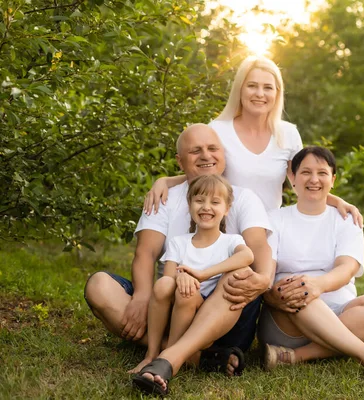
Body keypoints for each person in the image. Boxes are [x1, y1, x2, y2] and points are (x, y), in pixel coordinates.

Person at [84, 123, 274, 380]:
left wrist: (262, 279)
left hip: (224, 313)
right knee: (99, 286)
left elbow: (256, 250)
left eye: (212, 149)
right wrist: (141, 296)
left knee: (239, 273)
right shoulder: (165, 197)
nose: (206, 156)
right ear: (180, 160)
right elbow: (145, 254)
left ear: (223, 155)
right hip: (170, 304)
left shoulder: (242, 197)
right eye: (196, 151)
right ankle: (200, 357)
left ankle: (168, 356)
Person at [144, 55, 363, 225]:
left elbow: (304, 184)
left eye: (268, 87)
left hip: (270, 234)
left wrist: (339, 202)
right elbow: (200, 174)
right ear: (240, 89)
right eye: (252, 86)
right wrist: (165, 181)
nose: (260, 93)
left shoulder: (288, 134)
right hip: (225, 232)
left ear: (277, 93)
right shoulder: (218, 130)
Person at [258, 146, 364, 387]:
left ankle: (295, 357)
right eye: (306, 172)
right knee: (299, 289)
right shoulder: (274, 220)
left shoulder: (347, 220)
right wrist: (274, 293)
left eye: (322, 173)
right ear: (293, 178)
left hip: (342, 314)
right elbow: (266, 270)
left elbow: (347, 268)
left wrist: (318, 285)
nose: (314, 179)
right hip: (287, 319)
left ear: (333, 179)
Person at [130, 174, 253, 378]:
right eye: (199, 200)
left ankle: (169, 358)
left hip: (207, 316)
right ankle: (151, 355)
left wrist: (202, 274)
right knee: (164, 286)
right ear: (190, 205)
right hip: (178, 306)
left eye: (215, 202)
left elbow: (247, 256)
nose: (206, 207)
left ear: (227, 209)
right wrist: (182, 277)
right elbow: (168, 279)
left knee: (188, 291)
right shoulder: (179, 242)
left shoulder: (231, 241)